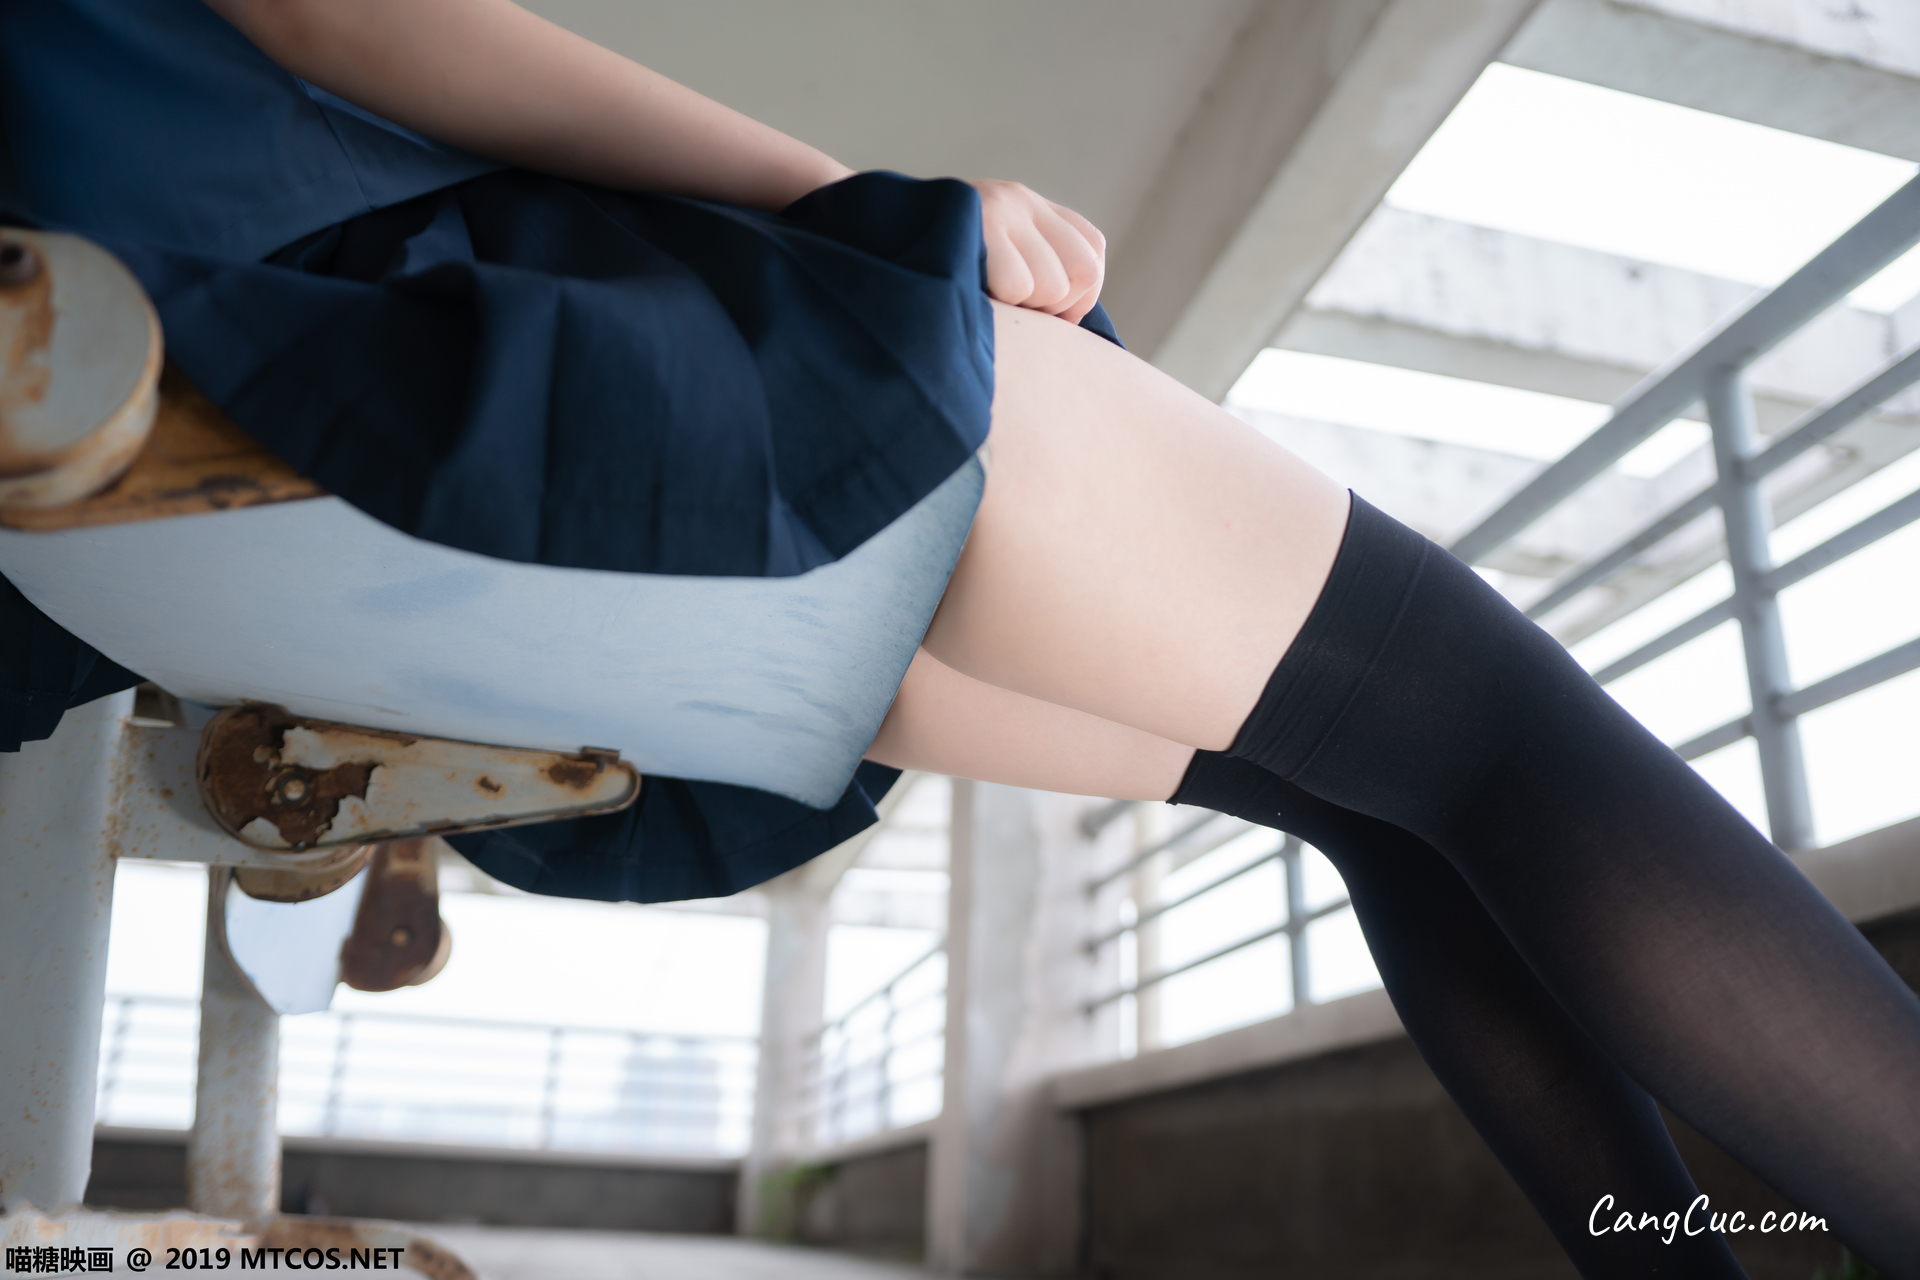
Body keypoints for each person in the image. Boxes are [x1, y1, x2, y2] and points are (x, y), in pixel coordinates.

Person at [2, 1, 1915, 1273]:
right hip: (566, 395)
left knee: (1378, 806)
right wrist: (857, 213)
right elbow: (346, 15)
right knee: (1481, 735)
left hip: (323, 546)